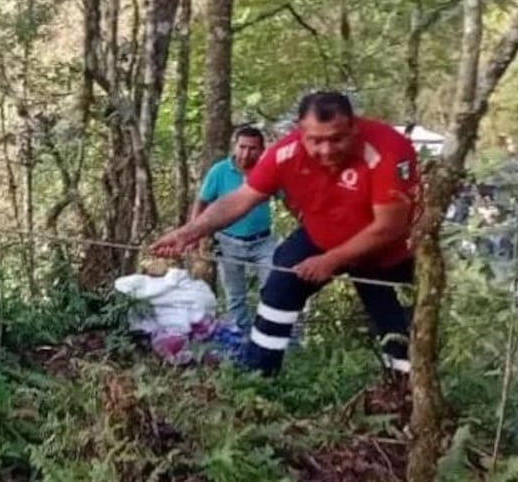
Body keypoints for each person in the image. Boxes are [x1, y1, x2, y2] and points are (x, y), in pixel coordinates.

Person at [151, 91, 419, 377]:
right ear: (300, 131)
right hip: (321, 236)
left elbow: (390, 226)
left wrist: (331, 261)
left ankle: (403, 385)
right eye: (316, 140)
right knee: (280, 286)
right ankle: (260, 377)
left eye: (337, 138)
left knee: (389, 313)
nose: (326, 150)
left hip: (384, 250)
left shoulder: (388, 148)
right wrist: (188, 233)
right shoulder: (284, 154)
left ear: (353, 127)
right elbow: (241, 198)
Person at [192, 126, 276, 331]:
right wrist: (194, 233)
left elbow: (290, 200)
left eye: (253, 148)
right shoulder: (219, 171)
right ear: (235, 146)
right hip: (229, 241)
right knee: (235, 296)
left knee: (274, 289)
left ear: (262, 150)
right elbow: (201, 202)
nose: (246, 153)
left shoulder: (269, 170)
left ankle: (269, 336)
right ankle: (239, 340)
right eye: (242, 147)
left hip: (263, 242)